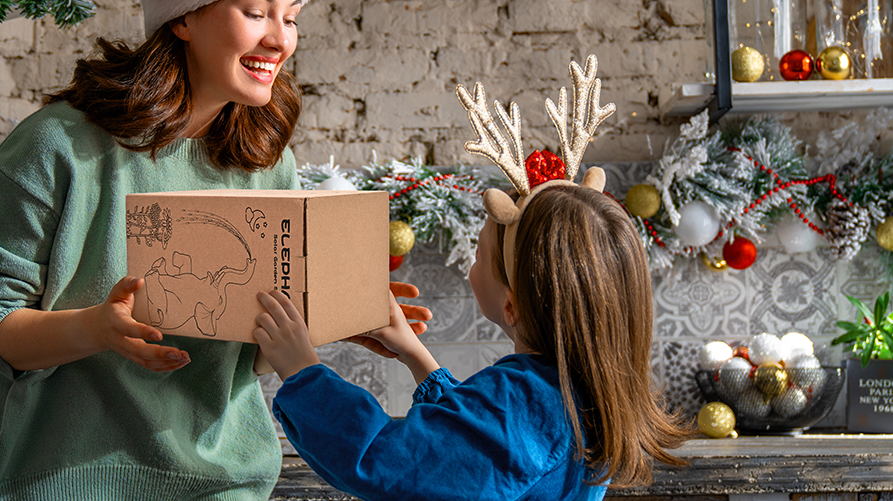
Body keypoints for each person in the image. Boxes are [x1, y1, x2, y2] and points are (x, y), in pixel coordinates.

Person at [0, 0, 319, 498]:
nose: (280, 39)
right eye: (256, 12)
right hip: (61, 481)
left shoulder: (268, 164)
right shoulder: (58, 146)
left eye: (292, 18)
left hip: (226, 485)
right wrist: (94, 329)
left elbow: (246, 362)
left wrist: (325, 310)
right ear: (184, 18)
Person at [254, 181, 694, 500]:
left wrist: (303, 372)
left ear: (512, 307)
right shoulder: (573, 390)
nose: (471, 266)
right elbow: (471, 451)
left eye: (479, 255)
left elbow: (389, 463)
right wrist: (415, 355)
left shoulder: (522, 403)